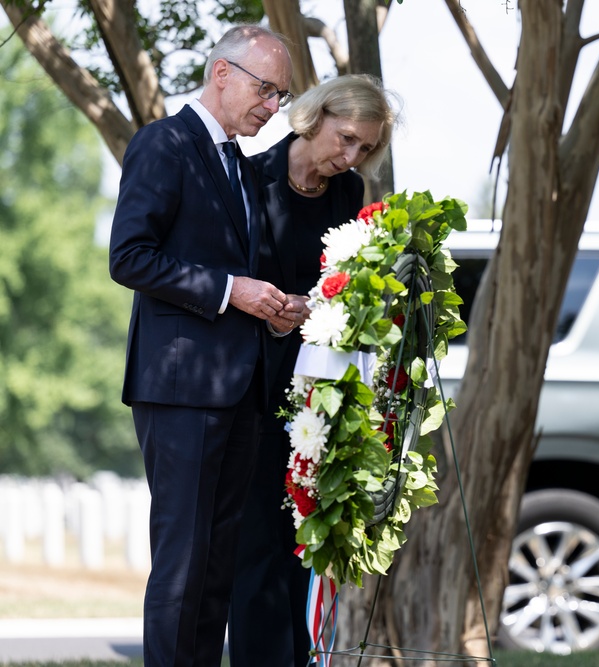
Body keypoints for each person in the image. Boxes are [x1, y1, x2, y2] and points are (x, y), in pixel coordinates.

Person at [108, 25, 304, 667]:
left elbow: (242, 273)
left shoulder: (241, 166)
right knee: (183, 567)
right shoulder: (163, 145)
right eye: (267, 90)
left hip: (242, 393)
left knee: (218, 566)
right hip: (181, 390)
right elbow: (131, 257)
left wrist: (275, 310)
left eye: (281, 95)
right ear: (223, 73)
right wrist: (230, 291)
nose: (274, 107)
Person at [227, 74, 397, 667]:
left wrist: (321, 308)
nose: (349, 157)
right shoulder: (250, 178)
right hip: (249, 392)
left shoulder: (351, 194)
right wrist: (279, 313)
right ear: (314, 116)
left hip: (318, 399)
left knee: (306, 546)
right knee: (256, 555)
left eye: (365, 149)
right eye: (346, 139)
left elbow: (355, 294)